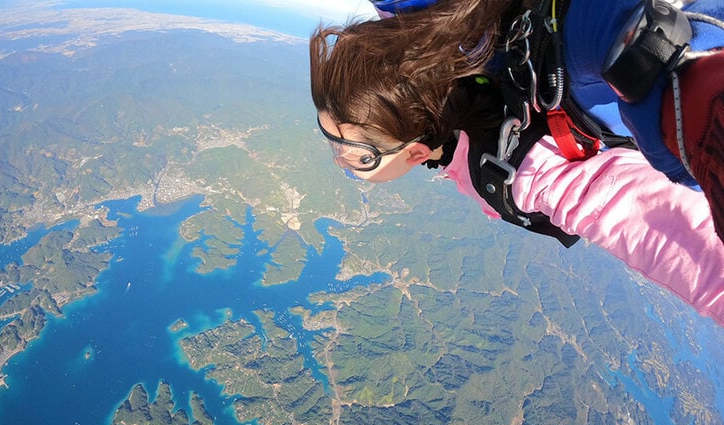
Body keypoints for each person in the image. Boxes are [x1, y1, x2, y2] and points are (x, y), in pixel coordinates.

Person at [309, 0, 724, 326]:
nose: (341, 163)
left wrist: (690, 97)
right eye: (335, 145)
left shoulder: (531, 172)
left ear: (415, 151)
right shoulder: (422, 18)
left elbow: (668, 237)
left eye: (359, 157)